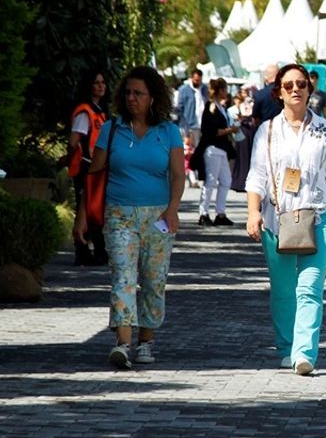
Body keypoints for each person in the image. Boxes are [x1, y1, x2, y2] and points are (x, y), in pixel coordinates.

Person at [245, 64, 326, 375]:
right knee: (283, 289)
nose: (296, 89)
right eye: (289, 85)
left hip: (317, 216)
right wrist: (253, 212)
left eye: (301, 84)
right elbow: (256, 177)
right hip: (276, 219)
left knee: (309, 287)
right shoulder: (267, 132)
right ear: (278, 93)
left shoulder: (324, 129)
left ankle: (304, 352)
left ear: (309, 89)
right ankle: (285, 347)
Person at [74, 66, 185, 370]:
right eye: (128, 93)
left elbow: (178, 175)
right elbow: (94, 175)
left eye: (139, 93)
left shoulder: (168, 132)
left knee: (153, 280)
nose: (131, 98)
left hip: (159, 216)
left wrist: (173, 208)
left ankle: (146, 341)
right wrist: (81, 216)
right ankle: (123, 343)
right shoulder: (112, 129)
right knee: (123, 276)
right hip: (118, 214)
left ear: (153, 98)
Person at [67, 70, 111, 266]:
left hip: (99, 165)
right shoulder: (85, 111)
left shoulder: (100, 111)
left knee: (96, 209)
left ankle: (98, 250)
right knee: (86, 208)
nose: (101, 86)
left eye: (103, 82)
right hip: (86, 165)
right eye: (96, 82)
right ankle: (83, 250)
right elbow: (74, 140)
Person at [192, 77, 238, 226]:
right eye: (225, 89)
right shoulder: (210, 107)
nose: (227, 92)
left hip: (222, 148)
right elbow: (210, 131)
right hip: (212, 148)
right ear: (220, 90)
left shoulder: (221, 107)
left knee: (226, 180)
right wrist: (230, 130)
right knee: (210, 181)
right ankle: (203, 213)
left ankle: (220, 212)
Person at [176, 69, 208, 188]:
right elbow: (179, 109)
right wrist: (185, 128)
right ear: (191, 78)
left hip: (202, 125)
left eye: (199, 80)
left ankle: (200, 174)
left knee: (200, 151)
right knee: (190, 152)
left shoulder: (205, 89)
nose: (197, 82)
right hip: (189, 125)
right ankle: (192, 178)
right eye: (195, 80)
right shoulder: (184, 90)